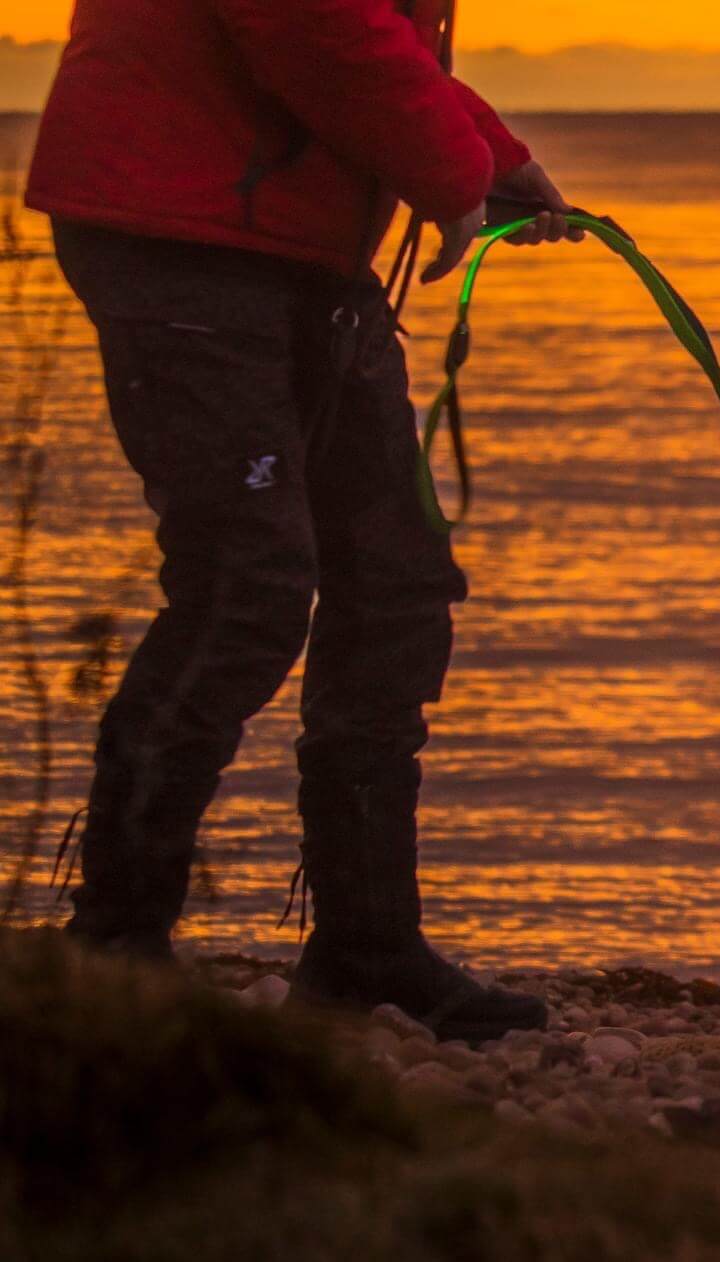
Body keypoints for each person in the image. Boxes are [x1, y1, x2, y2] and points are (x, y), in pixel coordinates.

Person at [25, 0, 579, 1041]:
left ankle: (367, 943)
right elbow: (307, 18)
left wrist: (491, 156)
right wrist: (453, 173)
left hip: (289, 240)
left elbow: (371, 35)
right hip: (178, 230)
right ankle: (113, 945)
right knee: (246, 587)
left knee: (395, 581)